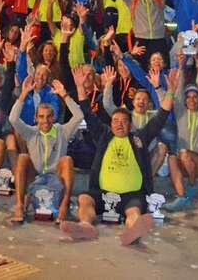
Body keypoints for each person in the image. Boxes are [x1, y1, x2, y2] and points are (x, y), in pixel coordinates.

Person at [60, 71, 175, 246]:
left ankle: (133, 231)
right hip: (103, 194)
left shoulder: (139, 138)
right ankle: (85, 226)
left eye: (123, 121)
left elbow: (161, 117)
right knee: (84, 199)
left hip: (131, 196)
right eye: (115, 121)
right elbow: (87, 112)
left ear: (130, 125)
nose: (119, 124)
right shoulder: (104, 135)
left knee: (134, 211)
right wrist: (79, 86)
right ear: (110, 123)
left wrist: (171, 90)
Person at [8, 75, 83, 224]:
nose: (45, 121)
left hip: (56, 176)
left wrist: (64, 95)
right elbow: (13, 119)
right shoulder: (31, 132)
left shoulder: (62, 130)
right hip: (35, 175)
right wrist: (23, 94)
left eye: (49, 117)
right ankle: (19, 205)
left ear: (53, 117)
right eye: (41, 117)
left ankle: (64, 205)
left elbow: (79, 116)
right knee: (23, 158)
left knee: (67, 160)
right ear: (36, 119)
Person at [165, 57, 198, 211]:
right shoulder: (180, 112)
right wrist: (180, 66)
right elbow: (177, 93)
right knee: (172, 157)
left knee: (184, 153)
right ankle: (182, 195)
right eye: (189, 97)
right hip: (184, 162)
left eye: (195, 97)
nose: (192, 100)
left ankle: (191, 187)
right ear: (185, 101)